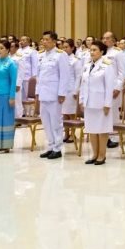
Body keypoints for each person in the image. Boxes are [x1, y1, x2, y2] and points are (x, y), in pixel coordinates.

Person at [38, 30, 72, 160]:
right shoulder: (41, 55)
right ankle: (50, 146)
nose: (44, 42)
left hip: (54, 94)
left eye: (47, 40)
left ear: (54, 41)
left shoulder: (60, 55)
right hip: (43, 93)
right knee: (46, 122)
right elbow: (39, 75)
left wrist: (62, 93)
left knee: (56, 122)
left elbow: (65, 75)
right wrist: (37, 92)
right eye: (43, 39)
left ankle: (57, 148)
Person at [80, 41, 116, 165]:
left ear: (101, 52)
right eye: (91, 50)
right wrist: (81, 100)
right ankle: (94, 154)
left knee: (102, 129)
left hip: (101, 103)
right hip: (89, 102)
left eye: (95, 50)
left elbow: (109, 86)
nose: (92, 52)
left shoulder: (107, 65)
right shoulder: (87, 65)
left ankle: (102, 155)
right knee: (92, 129)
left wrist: (107, 104)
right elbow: (83, 84)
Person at [0, 40, 19, 153]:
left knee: (6, 119)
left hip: (6, 96)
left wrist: (12, 97)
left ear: (7, 50)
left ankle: (6, 145)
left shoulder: (11, 64)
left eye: (2, 48)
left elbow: (13, 81)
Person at [102, 32, 125, 149]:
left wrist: (118, 87)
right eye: (104, 38)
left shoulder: (118, 53)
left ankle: (115, 137)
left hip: (113, 88)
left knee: (113, 113)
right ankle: (105, 136)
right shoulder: (102, 52)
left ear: (113, 40)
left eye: (107, 38)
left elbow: (122, 72)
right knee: (104, 113)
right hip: (103, 88)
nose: (105, 40)